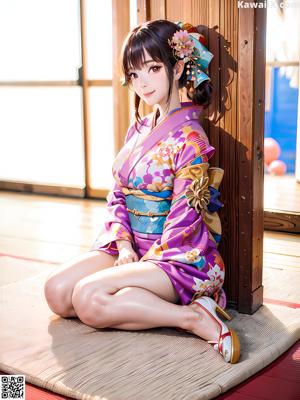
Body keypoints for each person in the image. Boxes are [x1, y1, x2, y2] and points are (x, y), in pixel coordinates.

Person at [44, 19, 240, 364]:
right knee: (58, 293)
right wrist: (122, 246)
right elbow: (117, 194)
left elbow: (185, 220)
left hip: (177, 256)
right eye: (134, 74)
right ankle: (139, 301)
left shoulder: (192, 139)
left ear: (178, 67)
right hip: (130, 246)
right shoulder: (138, 129)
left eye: (152, 68)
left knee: (88, 298)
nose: (142, 82)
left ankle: (193, 317)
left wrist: (136, 269)